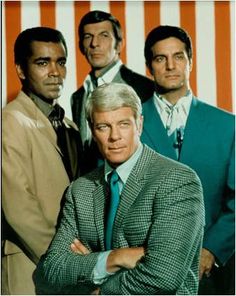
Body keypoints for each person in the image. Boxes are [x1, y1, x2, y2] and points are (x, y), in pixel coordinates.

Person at [34, 82, 204, 295]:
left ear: (139, 125)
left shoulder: (177, 180)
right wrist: (116, 258)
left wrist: (99, 289)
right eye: (103, 127)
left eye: (123, 124)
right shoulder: (80, 191)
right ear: (92, 130)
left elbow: (164, 275)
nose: (114, 136)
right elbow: (52, 269)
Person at [141, 25, 235, 295]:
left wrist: (212, 249)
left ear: (190, 62)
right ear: (149, 67)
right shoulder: (126, 124)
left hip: (211, 273)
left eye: (178, 56)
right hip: (145, 267)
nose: (171, 66)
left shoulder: (227, 125)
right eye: (161, 59)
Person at [2, 27, 84, 295]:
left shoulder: (70, 127)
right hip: (32, 265)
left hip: (71, 267)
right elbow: (17, 207)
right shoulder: (10, 121)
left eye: (61, 62)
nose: (55, 72)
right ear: (21, 70)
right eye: (42, 63)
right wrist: (64, 259)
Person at [71, 10, 155, 168]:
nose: (94, 43)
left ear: (119, 44)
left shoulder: (144, 88)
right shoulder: (78, 96)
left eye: (104, 35)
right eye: (88, 36)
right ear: (81, 45)